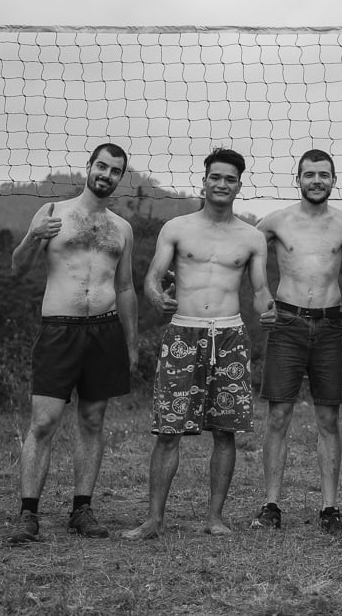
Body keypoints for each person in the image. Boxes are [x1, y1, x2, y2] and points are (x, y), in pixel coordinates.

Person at [123, 148, 274, 540]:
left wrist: (268, 308)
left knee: (225, 432)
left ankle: (215, 518)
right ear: (204, 181)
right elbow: (153, 277)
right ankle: (154, 520)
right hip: (183, 333)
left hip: (230, 336)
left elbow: (259, 289)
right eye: (216, 177)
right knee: (168, 430)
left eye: (230, 179)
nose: (222, 184)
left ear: (240, 185)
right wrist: (156, 294)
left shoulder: (252, 237)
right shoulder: (176, 228)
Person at [6, 142, 138, 545]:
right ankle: (28, 514)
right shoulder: (52, 214)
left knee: (93, 421)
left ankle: (82, 509)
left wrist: (131, 342)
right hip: (59, 328)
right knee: (43, 422)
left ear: (120, 177)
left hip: (104, 330)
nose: (106, 174)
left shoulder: (122, 228)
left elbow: (126, 286)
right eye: (102, 165)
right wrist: (33, 236)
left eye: (115, 170)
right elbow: (18, 267)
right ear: (89, 167)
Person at [252, 150, 342, 533]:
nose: (317, 180)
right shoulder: (277, 221)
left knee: (328, 418)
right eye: (309, 174)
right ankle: (271, 505)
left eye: (324, 175)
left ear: (334, 180)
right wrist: (260, 295)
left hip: (331, 326)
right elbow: (245, 249)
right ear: (297, 178)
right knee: (278, 415)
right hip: (287, 323)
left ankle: (329, 507)